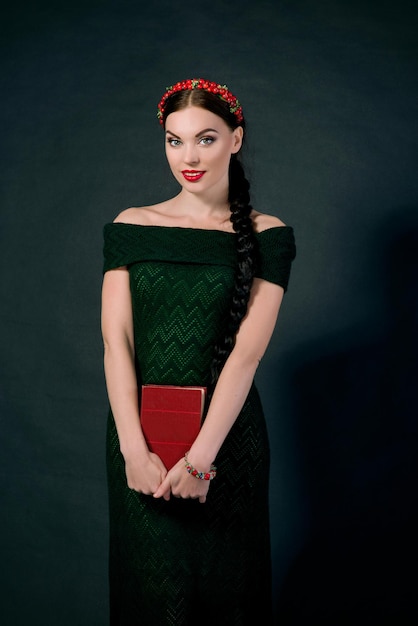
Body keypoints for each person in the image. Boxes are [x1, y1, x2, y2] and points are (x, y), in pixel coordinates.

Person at [101, 77, 296, 625]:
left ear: (236, 139)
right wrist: (133, 453)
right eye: (174, 140)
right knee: (152, 601)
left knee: (225, 601)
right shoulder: (131, 225)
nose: (188, 156)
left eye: (205, 139)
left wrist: (202, 461)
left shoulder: (268, 235)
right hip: (141, 446)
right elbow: (115, 341)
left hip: (224, 447)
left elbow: (246, 356)